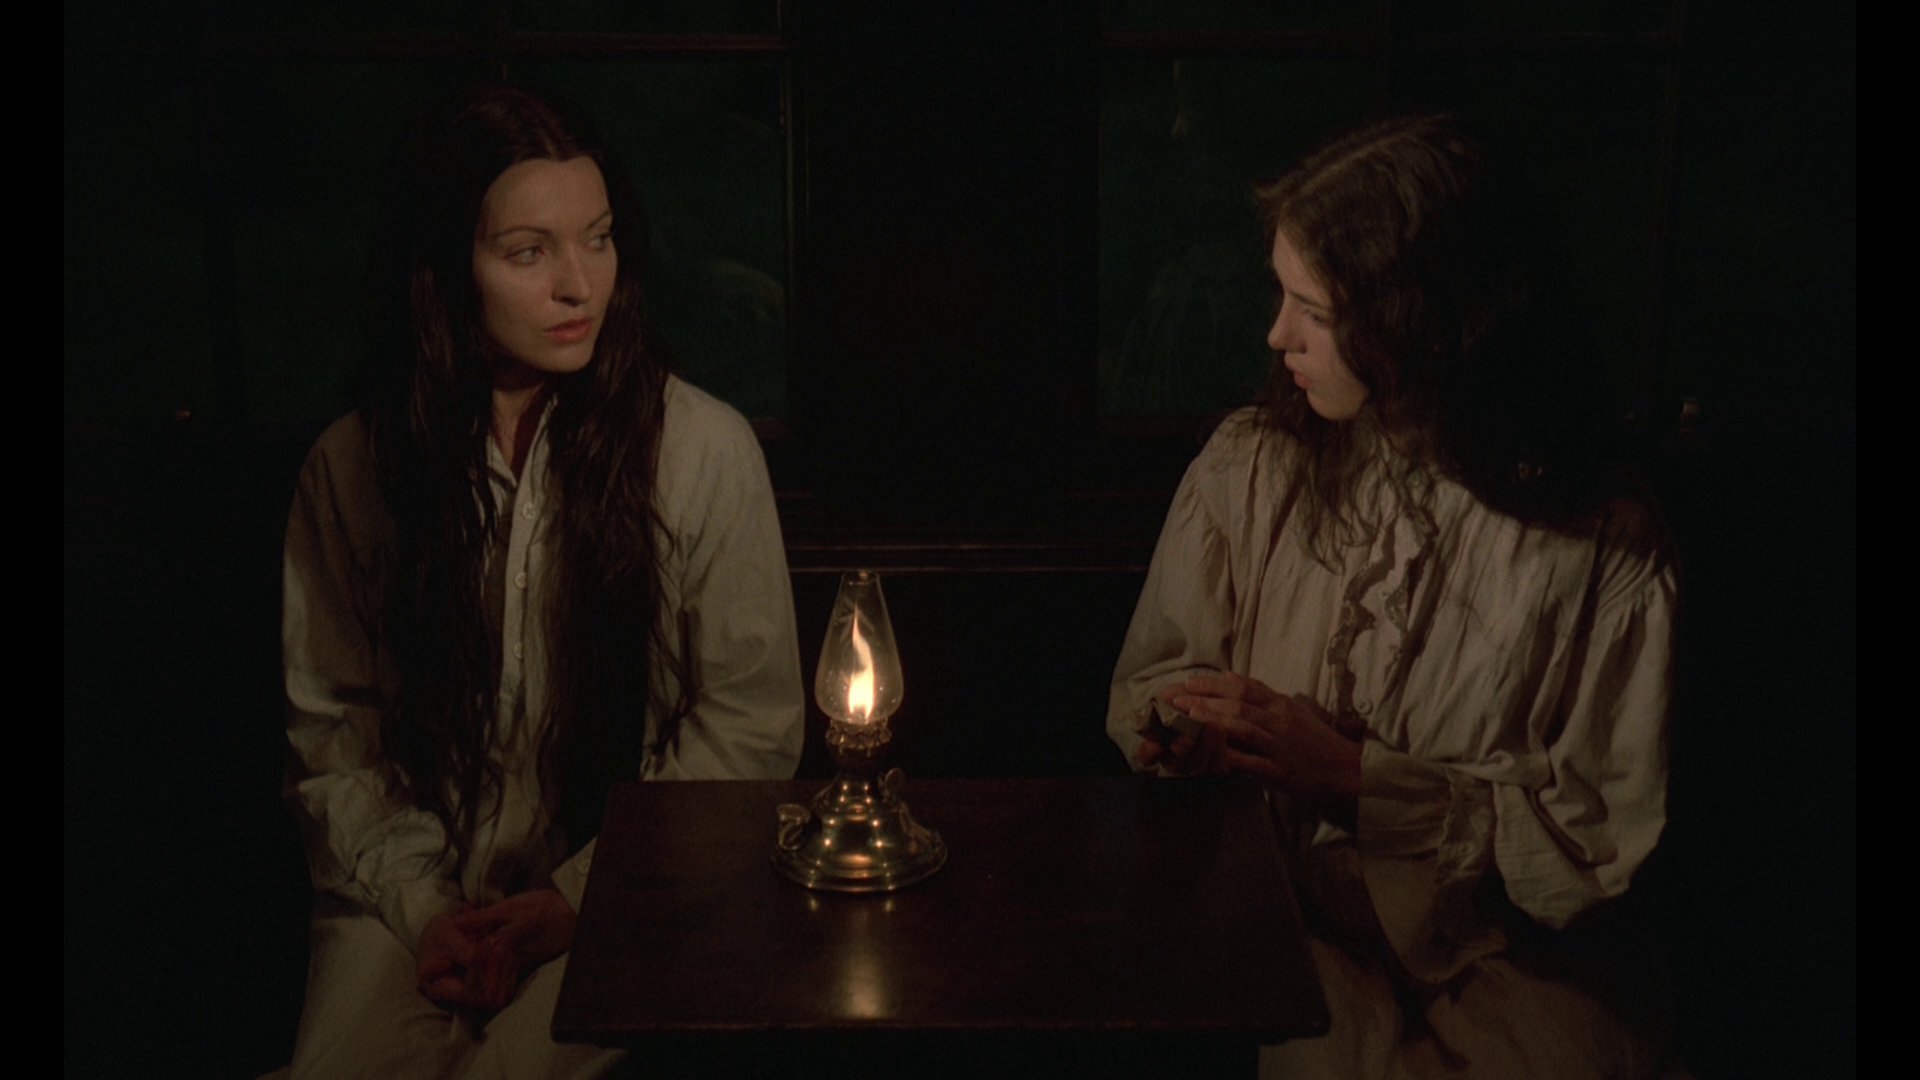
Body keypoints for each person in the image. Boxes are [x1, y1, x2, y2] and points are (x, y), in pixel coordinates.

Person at [1107, 115, 1681, 1079]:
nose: (1277, 335)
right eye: (1281, 297)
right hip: (1294, 931)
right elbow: (1162, 673)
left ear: (1425, 321)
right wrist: (1190, 729)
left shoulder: (1596, 541)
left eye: (1316, 311)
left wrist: (1357, 778)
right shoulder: (1254, 467)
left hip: (1507, 966)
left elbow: (1596, 844)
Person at [279, 83, 805, 1079]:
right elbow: (336, 729)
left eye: (598, 241)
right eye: (529, 253)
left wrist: (578, 896)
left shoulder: (698, 450)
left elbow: (748, 726)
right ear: (446, 269)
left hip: (632, 892)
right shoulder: (357, 466)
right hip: (406, 899)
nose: (580, 286)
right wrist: (425, 910)